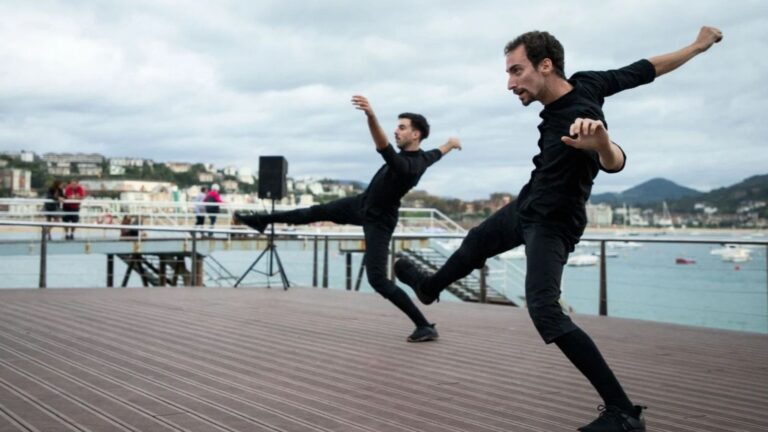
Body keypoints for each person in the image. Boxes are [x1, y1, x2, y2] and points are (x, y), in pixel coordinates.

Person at [394, 27, 722, 431]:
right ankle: (430, 288)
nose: (510, 83)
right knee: (477, 239)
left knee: (545, 311)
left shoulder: (581, 116)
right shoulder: (590, 81)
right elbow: (646, 69)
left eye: (517, 71)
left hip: (554, 222)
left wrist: (601, 143)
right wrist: (696, 46)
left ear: (545, 65)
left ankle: (623, 413)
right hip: (528, 204)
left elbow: (615, 161)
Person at [236, 95, 461, 342]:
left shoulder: (409, 166)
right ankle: (262, 220)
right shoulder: (425, 157)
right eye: (396, 126)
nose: (396, 131)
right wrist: (450, 143)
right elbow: (438, 152)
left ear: (416, 134)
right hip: (361, 204)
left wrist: (371, 116)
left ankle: (424, 325)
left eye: (402, 127)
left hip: (379, 219)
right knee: (314, 212)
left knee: (377, 280)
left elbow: (382, 145)